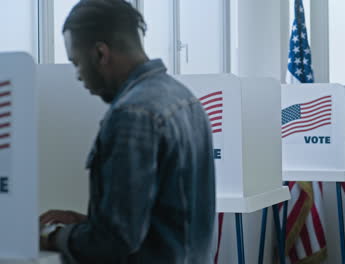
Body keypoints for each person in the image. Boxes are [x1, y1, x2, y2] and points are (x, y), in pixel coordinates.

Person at [39, 0, 216, 263]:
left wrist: (53, 236)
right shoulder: (184, 99)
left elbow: (115, 242)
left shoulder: (132, 114)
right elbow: (163, 223)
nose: (77, 76)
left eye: (76, 62)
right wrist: (86, 224)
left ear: (101, 54)